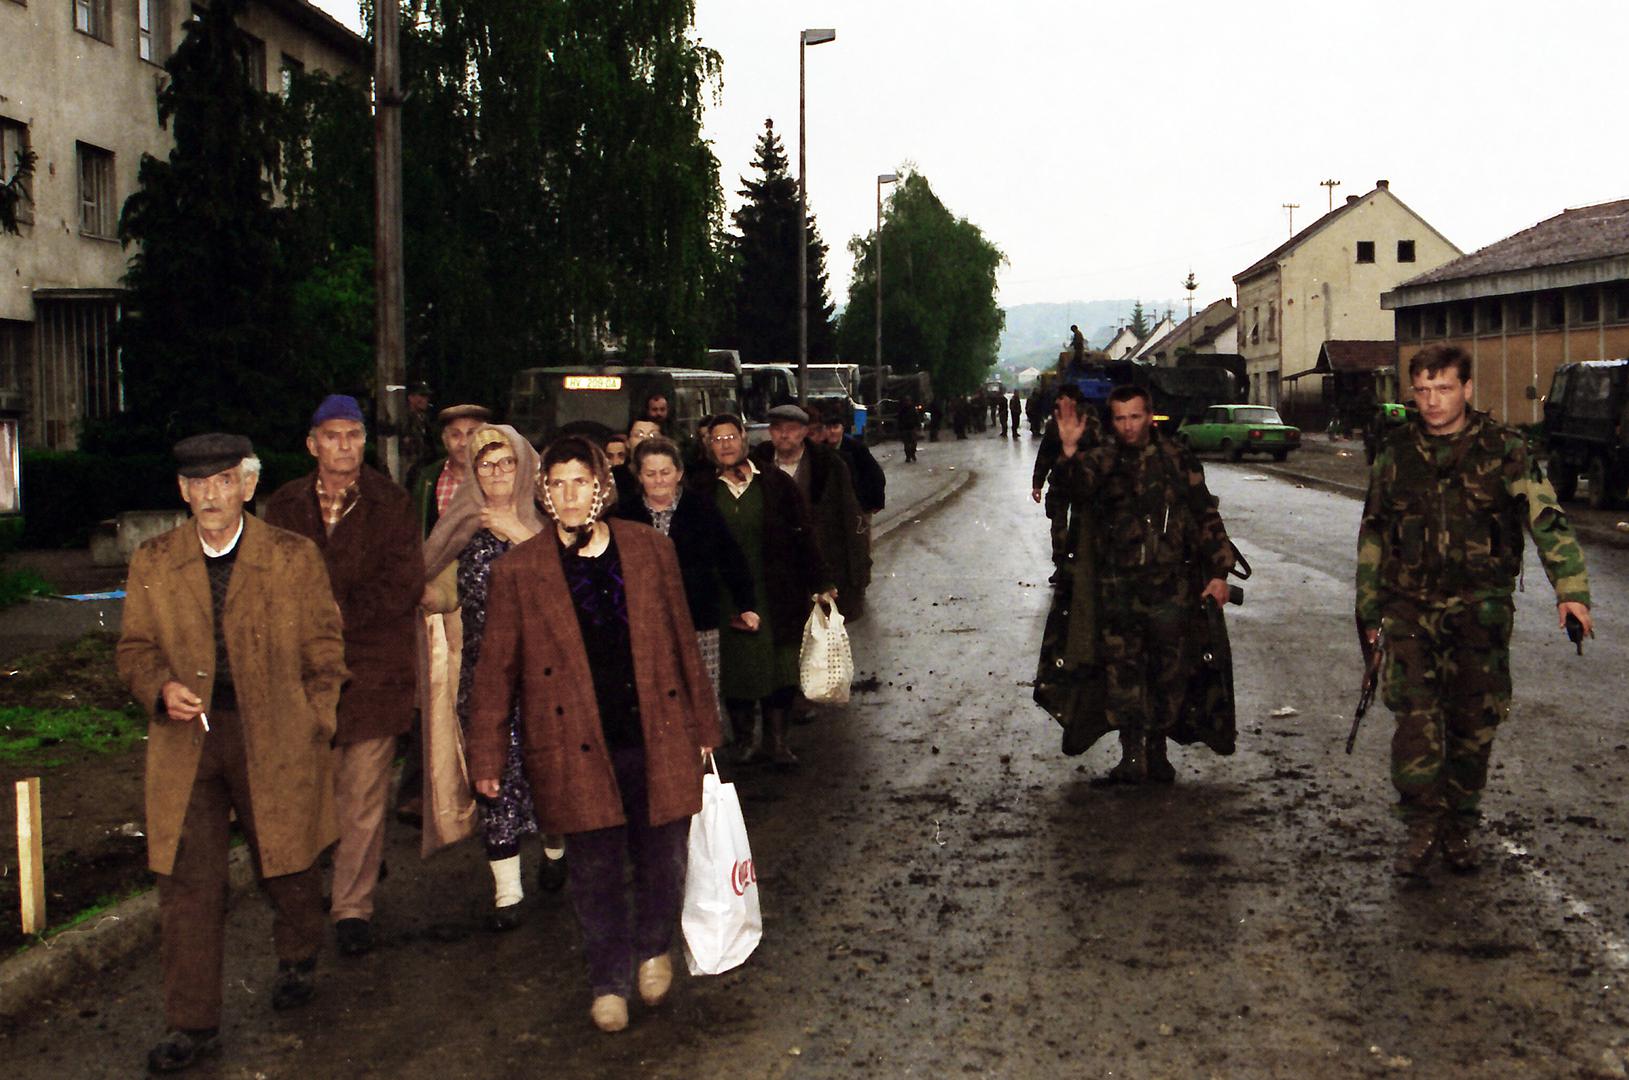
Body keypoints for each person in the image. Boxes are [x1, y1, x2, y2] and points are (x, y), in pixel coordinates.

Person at [466, 435, 720, 1033]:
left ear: (603, 487)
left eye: (581, 481)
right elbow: (495, 673)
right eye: (557, 484)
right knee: (595, 868)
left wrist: (704, 725)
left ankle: (654, 946)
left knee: (663, 856)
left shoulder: (650, 551)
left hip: (653, 732)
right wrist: (486, 756)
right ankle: (607, 978)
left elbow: (684, 644)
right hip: (573, 744)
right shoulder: (519, 572)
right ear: (544, 493)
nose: (569, 494)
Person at [117, 434, 347, 1073]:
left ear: (248, 487)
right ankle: (192, 1023)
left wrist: (314, 718)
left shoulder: (292, 557)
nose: (211, 496)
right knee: (187, 881)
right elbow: (133, 648)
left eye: (224, 482)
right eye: (198, 484)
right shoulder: (153, 561)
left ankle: (298, 955)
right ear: (182, 492)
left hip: (273, 731)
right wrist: (159, 688)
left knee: (288, 860)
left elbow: (326, 647)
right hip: (187, 738)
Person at [1356, 344, 1591, 878]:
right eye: (1422, 391)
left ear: (1466, 389)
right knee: (1415, 722)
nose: (1432, 401)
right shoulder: (1396, 453)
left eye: (1443, 389)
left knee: (1472, 725)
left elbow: (1546, 518)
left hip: (1479, 613)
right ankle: (1420, 828)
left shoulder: (1505, 449)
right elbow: (1373, 534)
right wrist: (1368, 612)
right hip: (1410, 611)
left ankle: (1459, 826)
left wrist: (1570, 589)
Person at [263, 395, 424, 958]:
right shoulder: (282, 507)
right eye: (331, 436)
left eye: (352, 436)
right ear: (312, 444)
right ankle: (319, 888)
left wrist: (334, 615)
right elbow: (270, 586)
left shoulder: (392, 503)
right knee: (314, 792)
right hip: (303, 677)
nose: (343, 447)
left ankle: (352, 907)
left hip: (371, 671)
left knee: (361, 793)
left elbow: (403, 583)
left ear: (364, 442)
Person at [1051, 384, 1234, 784]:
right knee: (1122, 673)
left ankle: (1158, 749)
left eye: (1135, 416)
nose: (1128, 426)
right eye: (1120, 418)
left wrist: (1220, 572)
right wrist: (1067, 451)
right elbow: (1070, 489)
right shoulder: (1102, 459)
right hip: (1117, 591)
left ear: (1150, 416)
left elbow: (1204, 514)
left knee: (1169, 672)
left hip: (1170, 589)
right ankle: (1132, 753)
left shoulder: (1175, 458)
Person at [421, 424, 566, 927]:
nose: (497, 473)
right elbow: (440, 585)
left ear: (524, 466)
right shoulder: (463, 525)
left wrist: (514, 529)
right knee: (494, 775)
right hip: (486, 675)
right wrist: (421, 595)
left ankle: (556, 849)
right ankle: (508, 892)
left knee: (550, 773)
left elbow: (570, 578)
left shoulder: (551, 521)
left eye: (507, 463)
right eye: (486, 465)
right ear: (472, 473)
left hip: (548, 673)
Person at [705, 414, 831, 765]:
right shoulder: (702, 488)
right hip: (728, 594)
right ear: (708, 445)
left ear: (744, 438)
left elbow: (803, 534)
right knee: (738, 668)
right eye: (717, 439)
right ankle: (744, 740)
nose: (726, 444)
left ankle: (776, 742)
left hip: (777, 590)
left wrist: (821, 582)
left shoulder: (773, 482)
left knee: (780, 667)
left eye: (731, 436)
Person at [619, 435, 758, 718]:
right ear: (639, 476)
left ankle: (704, 760)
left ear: (679, 473)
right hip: (644, 625)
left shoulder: (701, 509)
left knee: (701, 694)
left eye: (665, 472)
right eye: (650, 474)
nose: (658, 480)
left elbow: (730, 557)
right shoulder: (624, 515)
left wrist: (747, 604)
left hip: (698, 619)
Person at [751, 403, 869, 621]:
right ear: (770, 431)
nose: (784, 434)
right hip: (774, 576)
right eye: (778, 428)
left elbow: (851, 520)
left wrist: (857, 577)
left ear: (805, 431)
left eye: (792, 428)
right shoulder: (755, 467)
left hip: (823, 568)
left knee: (823, 647)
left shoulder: (829, 465)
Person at [1032, 385, 1100, 582]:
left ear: (1072, 400)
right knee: (1060, 525)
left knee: (1078, 525)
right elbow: (1046, 453)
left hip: (1082, 483)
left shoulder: (1089, 421)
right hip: (1063, 482)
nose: (1057, 401)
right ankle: (1063, 566)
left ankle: (1075, 566)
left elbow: (1100, 451)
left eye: (1061, 398)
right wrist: (1038, 482)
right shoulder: (1057, 422)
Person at [411, 404, 491, 537]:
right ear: (445, 440)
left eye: (471, 434)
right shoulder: (427, 479)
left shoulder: (499, 476)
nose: (464, 442)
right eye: (455, 435)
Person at [897, 397, 919, 462]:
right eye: (906, 401)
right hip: (905, 428)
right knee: (906, 444)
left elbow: (916, 417)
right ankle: (908, 457)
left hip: (912, 428)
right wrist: (900, 427)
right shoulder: (902, 410)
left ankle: (912, 454)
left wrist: (917, 424)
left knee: (914, 443)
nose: (907, 402)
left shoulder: (913, 409)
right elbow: (899, 419)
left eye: (908, 401)